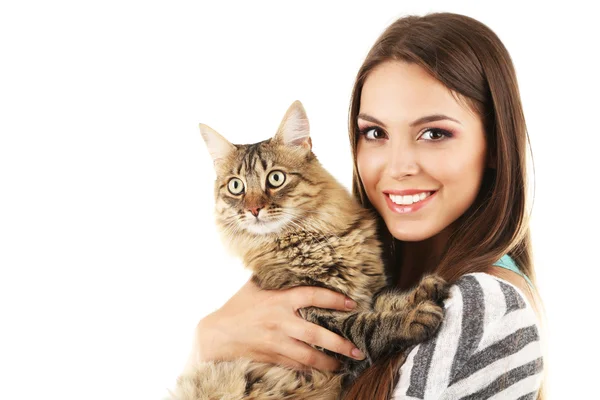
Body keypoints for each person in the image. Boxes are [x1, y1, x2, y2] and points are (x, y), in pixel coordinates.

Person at [186, 12, 545, 399]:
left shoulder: (486, 309)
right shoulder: (395, 271)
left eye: (434, 133)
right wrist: (208, 341)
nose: (398, 166)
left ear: (495, 145)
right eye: (375, 133)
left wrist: (209, 343)